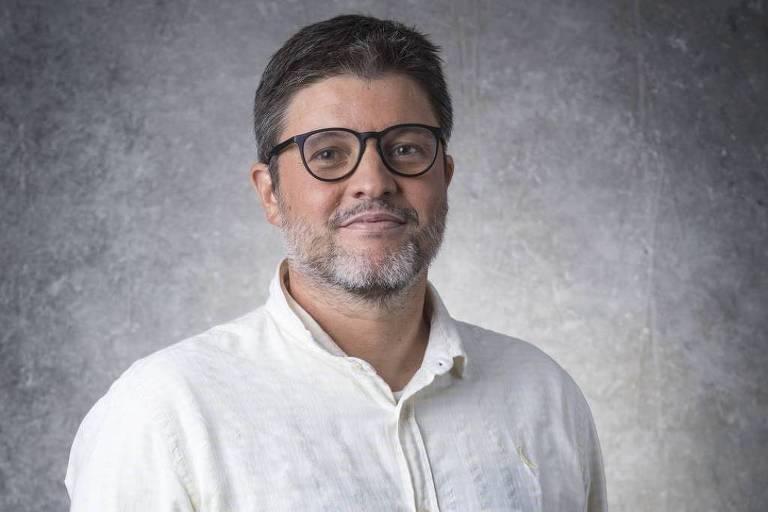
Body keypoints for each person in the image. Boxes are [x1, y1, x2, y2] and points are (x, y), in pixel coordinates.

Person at [65, 14, 607, 512]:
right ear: (270, 193)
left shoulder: (544, 396)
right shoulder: (165, 416)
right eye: (327, 153)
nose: (373, 182)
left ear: (444, 174)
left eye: (406, 148)